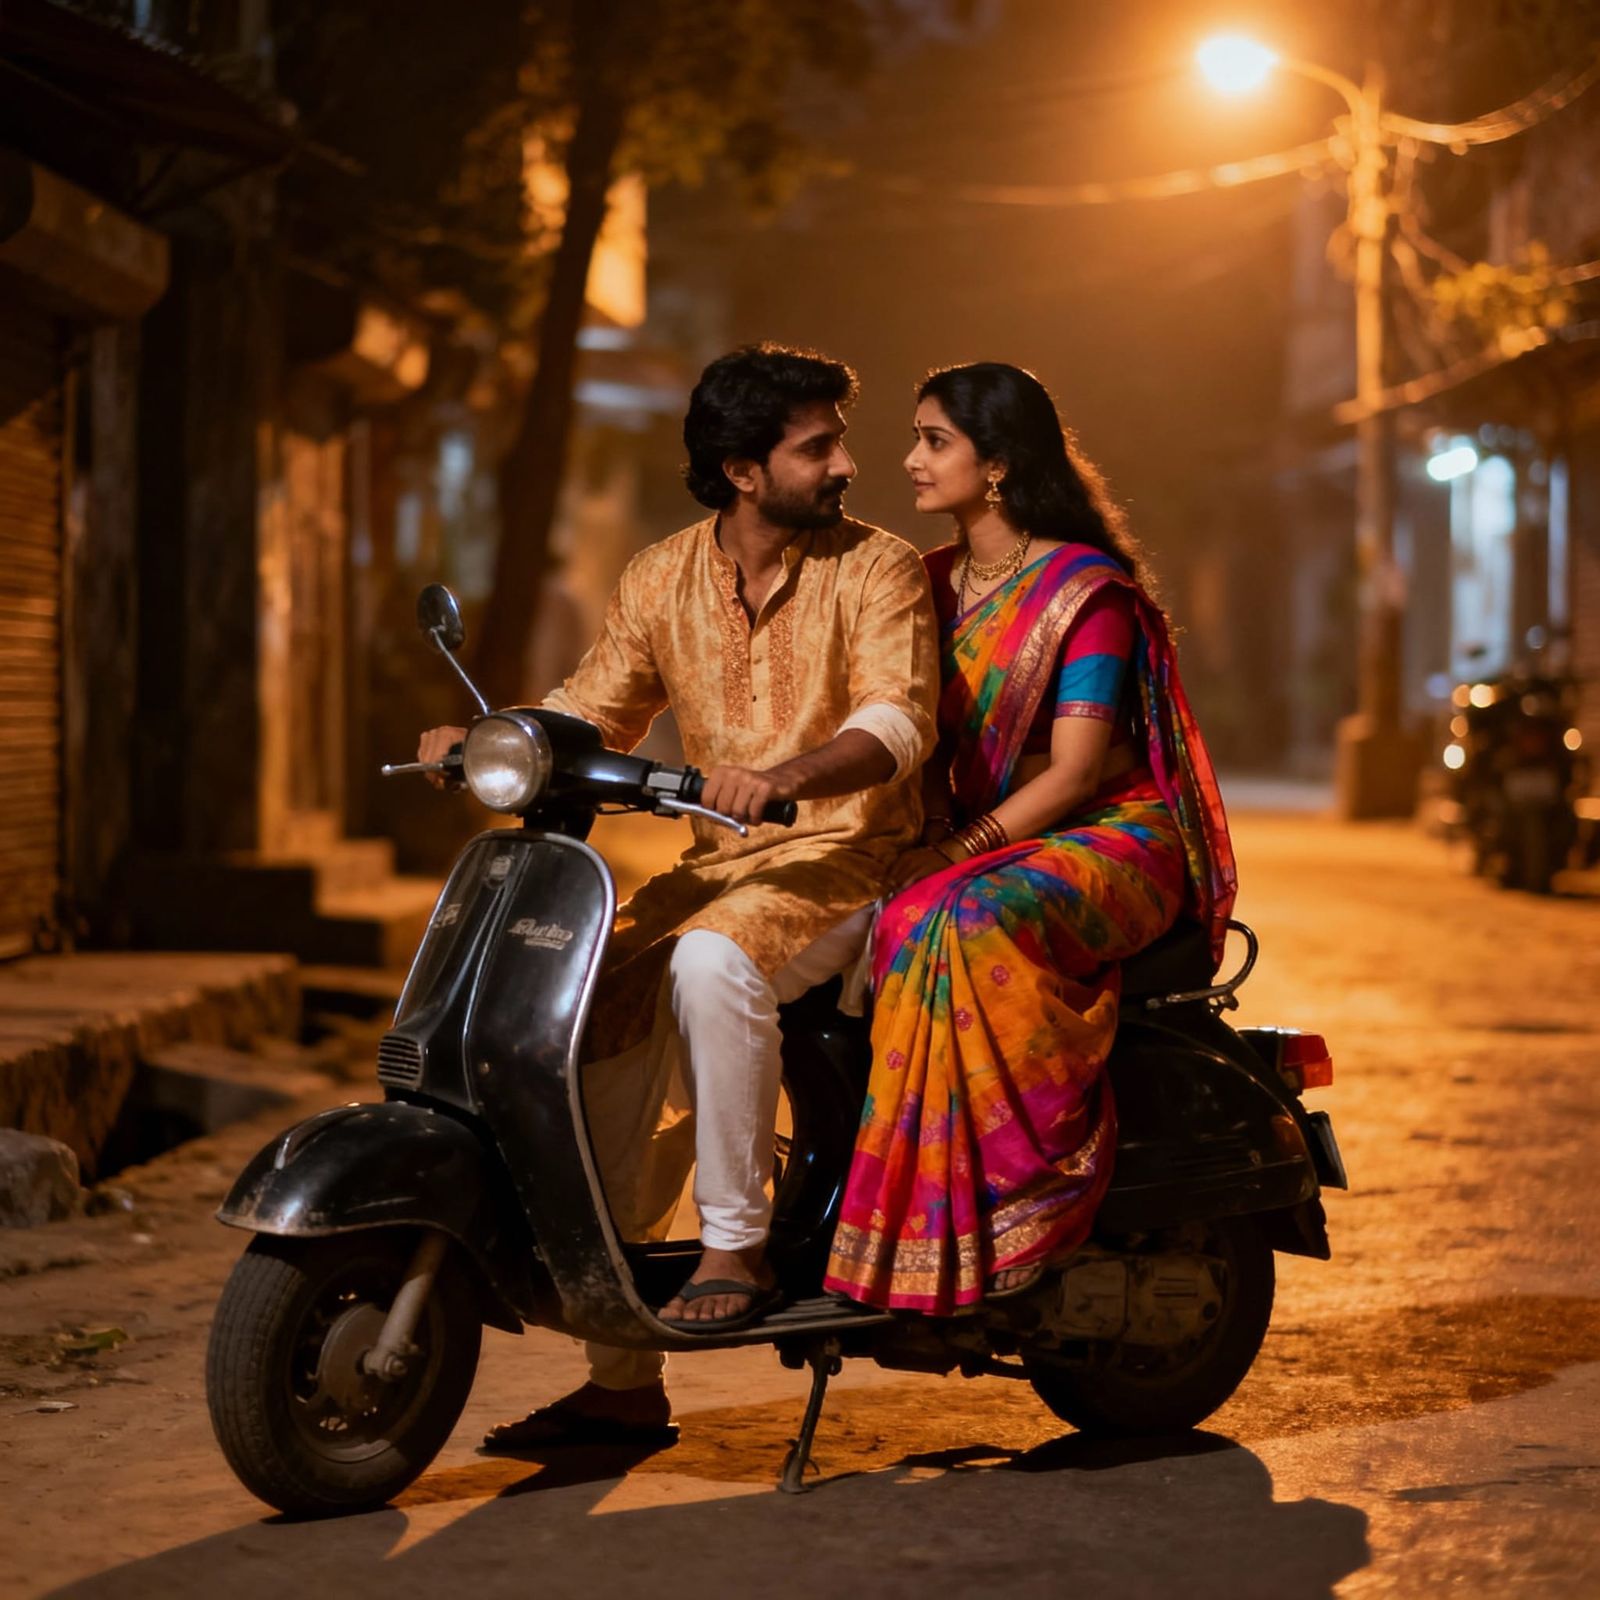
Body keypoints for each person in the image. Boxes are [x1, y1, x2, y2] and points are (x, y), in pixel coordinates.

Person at [419, 344, 938, 1445]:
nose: (846, 462)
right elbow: (592, 706)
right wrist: (489, 740)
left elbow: (899, 721)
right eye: (818, 445)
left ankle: (735, 1249)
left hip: (849, 855)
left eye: (837, 440)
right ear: (743, 470)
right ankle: (621, 1376)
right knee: (577, 1007)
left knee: (712, 961)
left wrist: (788, 779)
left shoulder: (877, 569)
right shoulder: (659, 577)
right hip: (712, 866)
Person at [822, 361, 1236, 1315]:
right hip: (987, 835)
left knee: (949, 918)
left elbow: (1077, 773)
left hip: (1110, 839)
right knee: (877, 909)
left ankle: (1014, 1202)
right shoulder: (923, 584)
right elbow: (912, 735)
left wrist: (953, 853)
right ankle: (900, 1225)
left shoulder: (1084, 594)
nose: (910, 460)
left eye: (935, 441)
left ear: (997, 463)